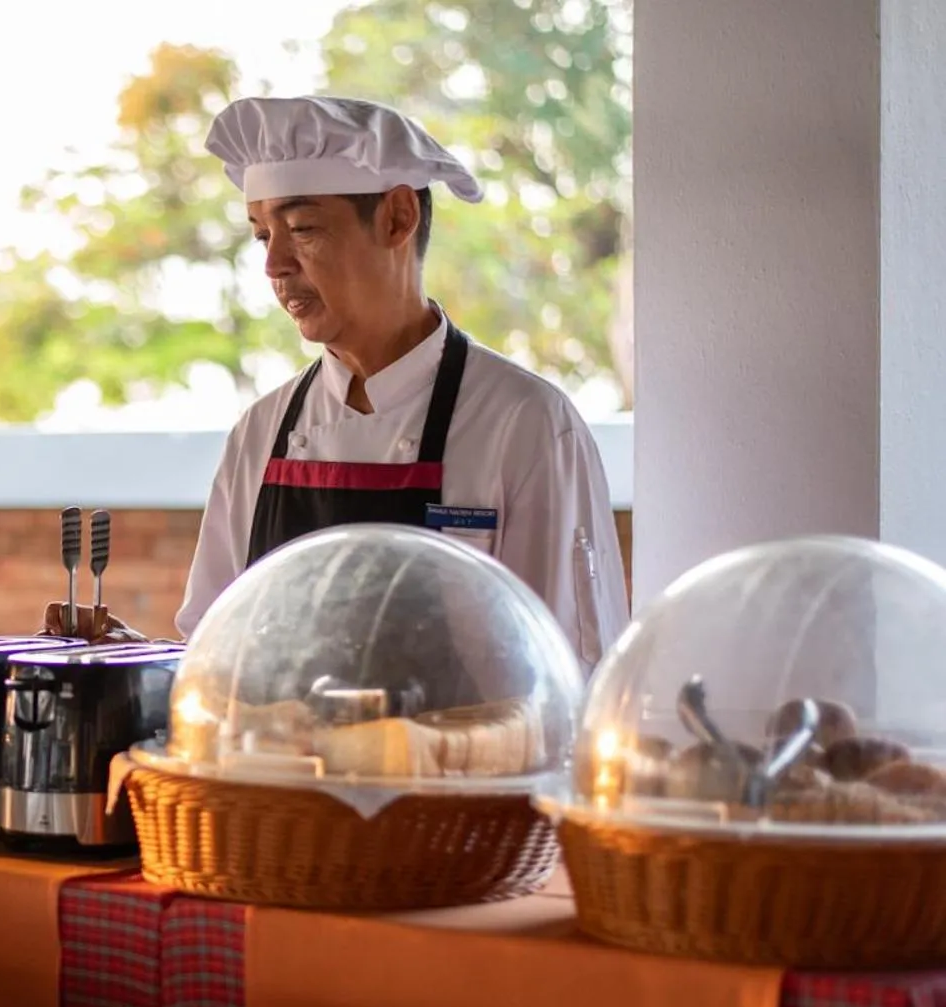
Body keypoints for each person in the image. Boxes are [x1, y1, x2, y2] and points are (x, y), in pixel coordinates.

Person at [52, 96, 628, 673]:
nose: (274, 265)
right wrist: (139, 659)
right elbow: (216, 659)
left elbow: (565, 681)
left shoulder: (523, 424)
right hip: (270, 767)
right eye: (261, 235)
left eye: (302, 229)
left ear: (398, 218)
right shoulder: (261, 431)